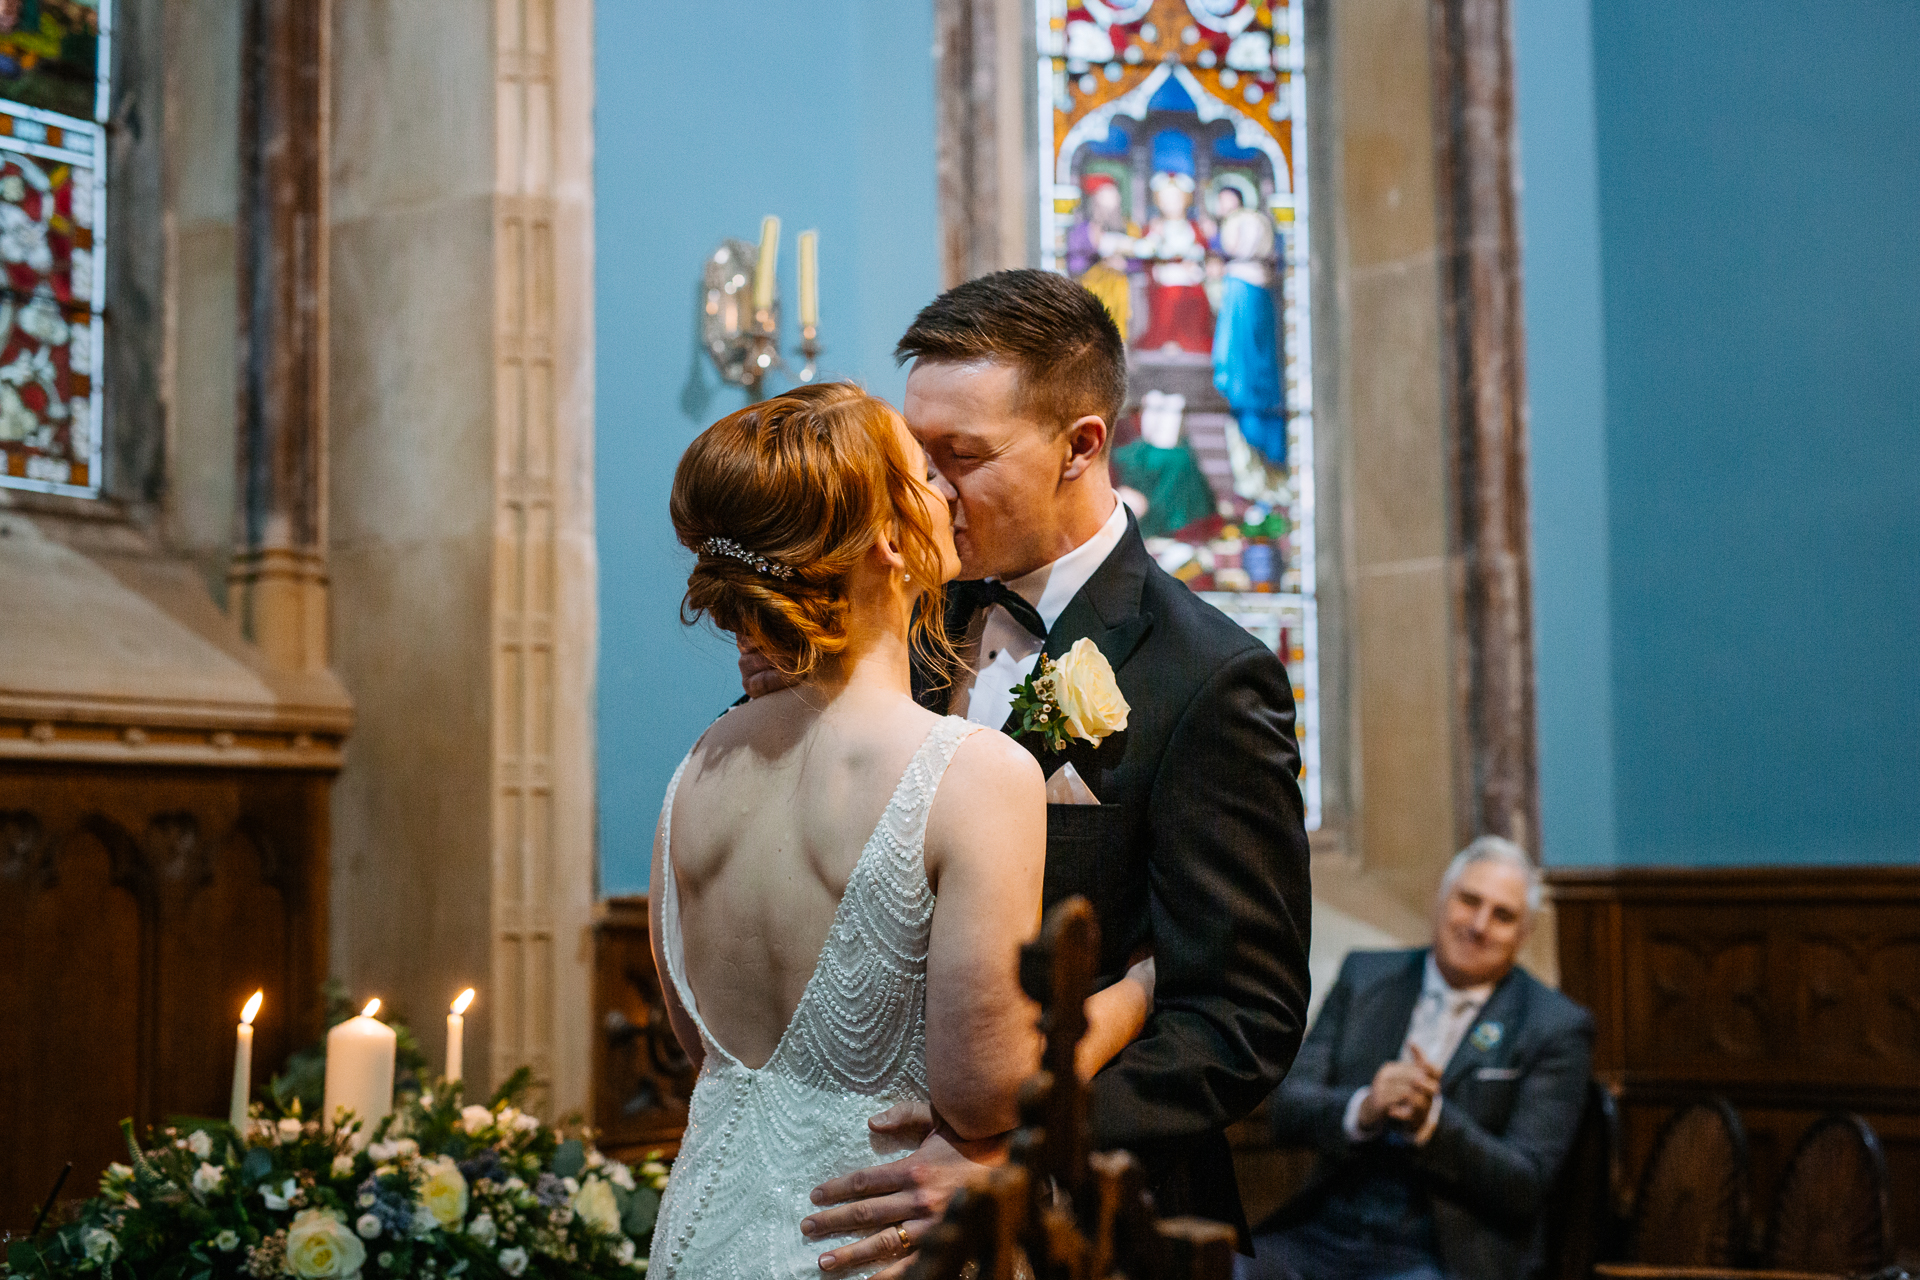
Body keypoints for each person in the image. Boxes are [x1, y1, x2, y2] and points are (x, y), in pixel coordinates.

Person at [747, 269, 1312, 1273]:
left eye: (958, 456)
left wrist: (1022, 1149)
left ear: (1081, 446)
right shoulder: (901, 631)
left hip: (1090, 1227)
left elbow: (1240, 1016)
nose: (921, 490)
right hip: (848, 1194)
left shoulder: (1211, 676)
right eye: (913, 454)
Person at [651, 383, 1155, 1279]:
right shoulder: (971, 773)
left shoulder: (690, 777)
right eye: (926, 474)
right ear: (889, 539)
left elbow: (712, 1059)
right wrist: (1142, 989)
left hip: (706, 1237)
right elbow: (986, 1095)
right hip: (880, 1250)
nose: (948, 493)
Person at [1244, 837, 1594, 1280]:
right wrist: (1365, 1107)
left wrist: (1433, 1123)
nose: (1480, 925)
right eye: (1469, 901)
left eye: (1503, 916)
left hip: (1446, 1252)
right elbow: (1288, 1109)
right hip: (1324, 1228)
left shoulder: (1555, 1025)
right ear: (1441, 900)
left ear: (1523, 935)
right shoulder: (1364, 977)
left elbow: (1525, 1183)